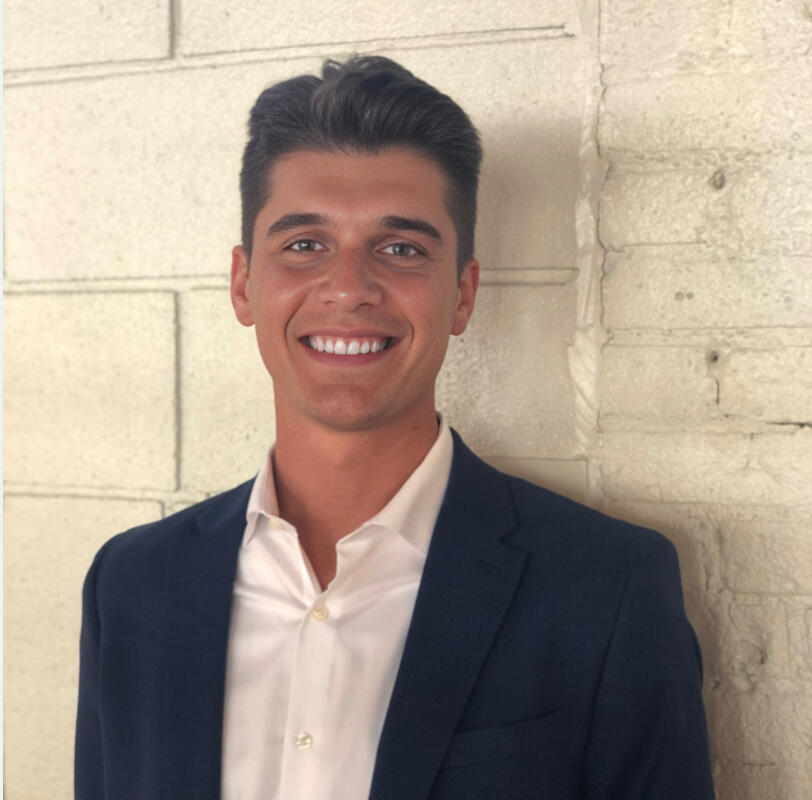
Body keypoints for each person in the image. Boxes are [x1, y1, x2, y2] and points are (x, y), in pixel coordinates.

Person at [75, 56, 714, 800]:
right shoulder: (132, 584)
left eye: (401, 248)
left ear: (462, 295)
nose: (349, 288)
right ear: (244, 284)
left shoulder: (607, 587)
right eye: (305, 245)